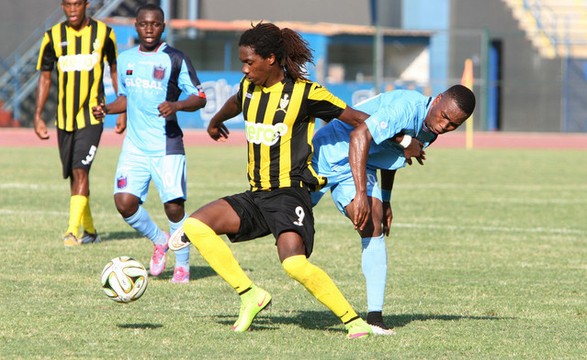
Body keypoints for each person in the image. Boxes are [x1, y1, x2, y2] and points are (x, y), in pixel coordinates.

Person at [168, 22, 373, 339]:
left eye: (250, 62)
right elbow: (237, 100)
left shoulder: (306, 93)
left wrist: (402, 142)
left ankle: (354, 322)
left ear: (272, 59)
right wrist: (216, 120)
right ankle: (250, 294)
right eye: (242, 62)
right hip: (256, 196)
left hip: (290, 196)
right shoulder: (249, 86)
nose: (244, 69)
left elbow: (359, 120)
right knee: (193, 226)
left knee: (293, 265)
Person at [311, 84, 476, 334]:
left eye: (454, 125)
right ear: (438, 99)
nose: (444, 126)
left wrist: (385, 200)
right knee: (281, 219)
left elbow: (390, 156)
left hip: (360, 165)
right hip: (327, 155)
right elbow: (359, 136)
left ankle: (374, 317)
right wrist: (360, 194)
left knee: (373, 224)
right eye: (444, 117)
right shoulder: (407, 107)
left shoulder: (430, 130)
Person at [92, 4, 207, 283]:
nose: (149, 29)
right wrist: (106, 109)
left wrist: (176, 104)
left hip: (166, 145)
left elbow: (200, 97)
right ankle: (159, 240)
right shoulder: (127, 58)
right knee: (124, 203)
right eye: (144, 24)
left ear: (163, 26)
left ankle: (182, 265)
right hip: (134, 146)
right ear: (136, 25)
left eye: (155, 24)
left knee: (174, 206)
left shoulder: (176, 58)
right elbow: (125, 98)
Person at [33, 0, 121, 246]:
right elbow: (45, 77)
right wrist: (38, 115)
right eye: (68, 5)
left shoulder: (104, 34)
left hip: (92, 116)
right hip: (64, 119)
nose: (73, 9)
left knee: (81, 169)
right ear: (62, 6)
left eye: (77, 4)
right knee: (74, 174)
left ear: (86, 5)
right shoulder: (52, 37)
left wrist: (121, 108)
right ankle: (91, 231)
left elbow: (115, 69)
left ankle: (71, 232)